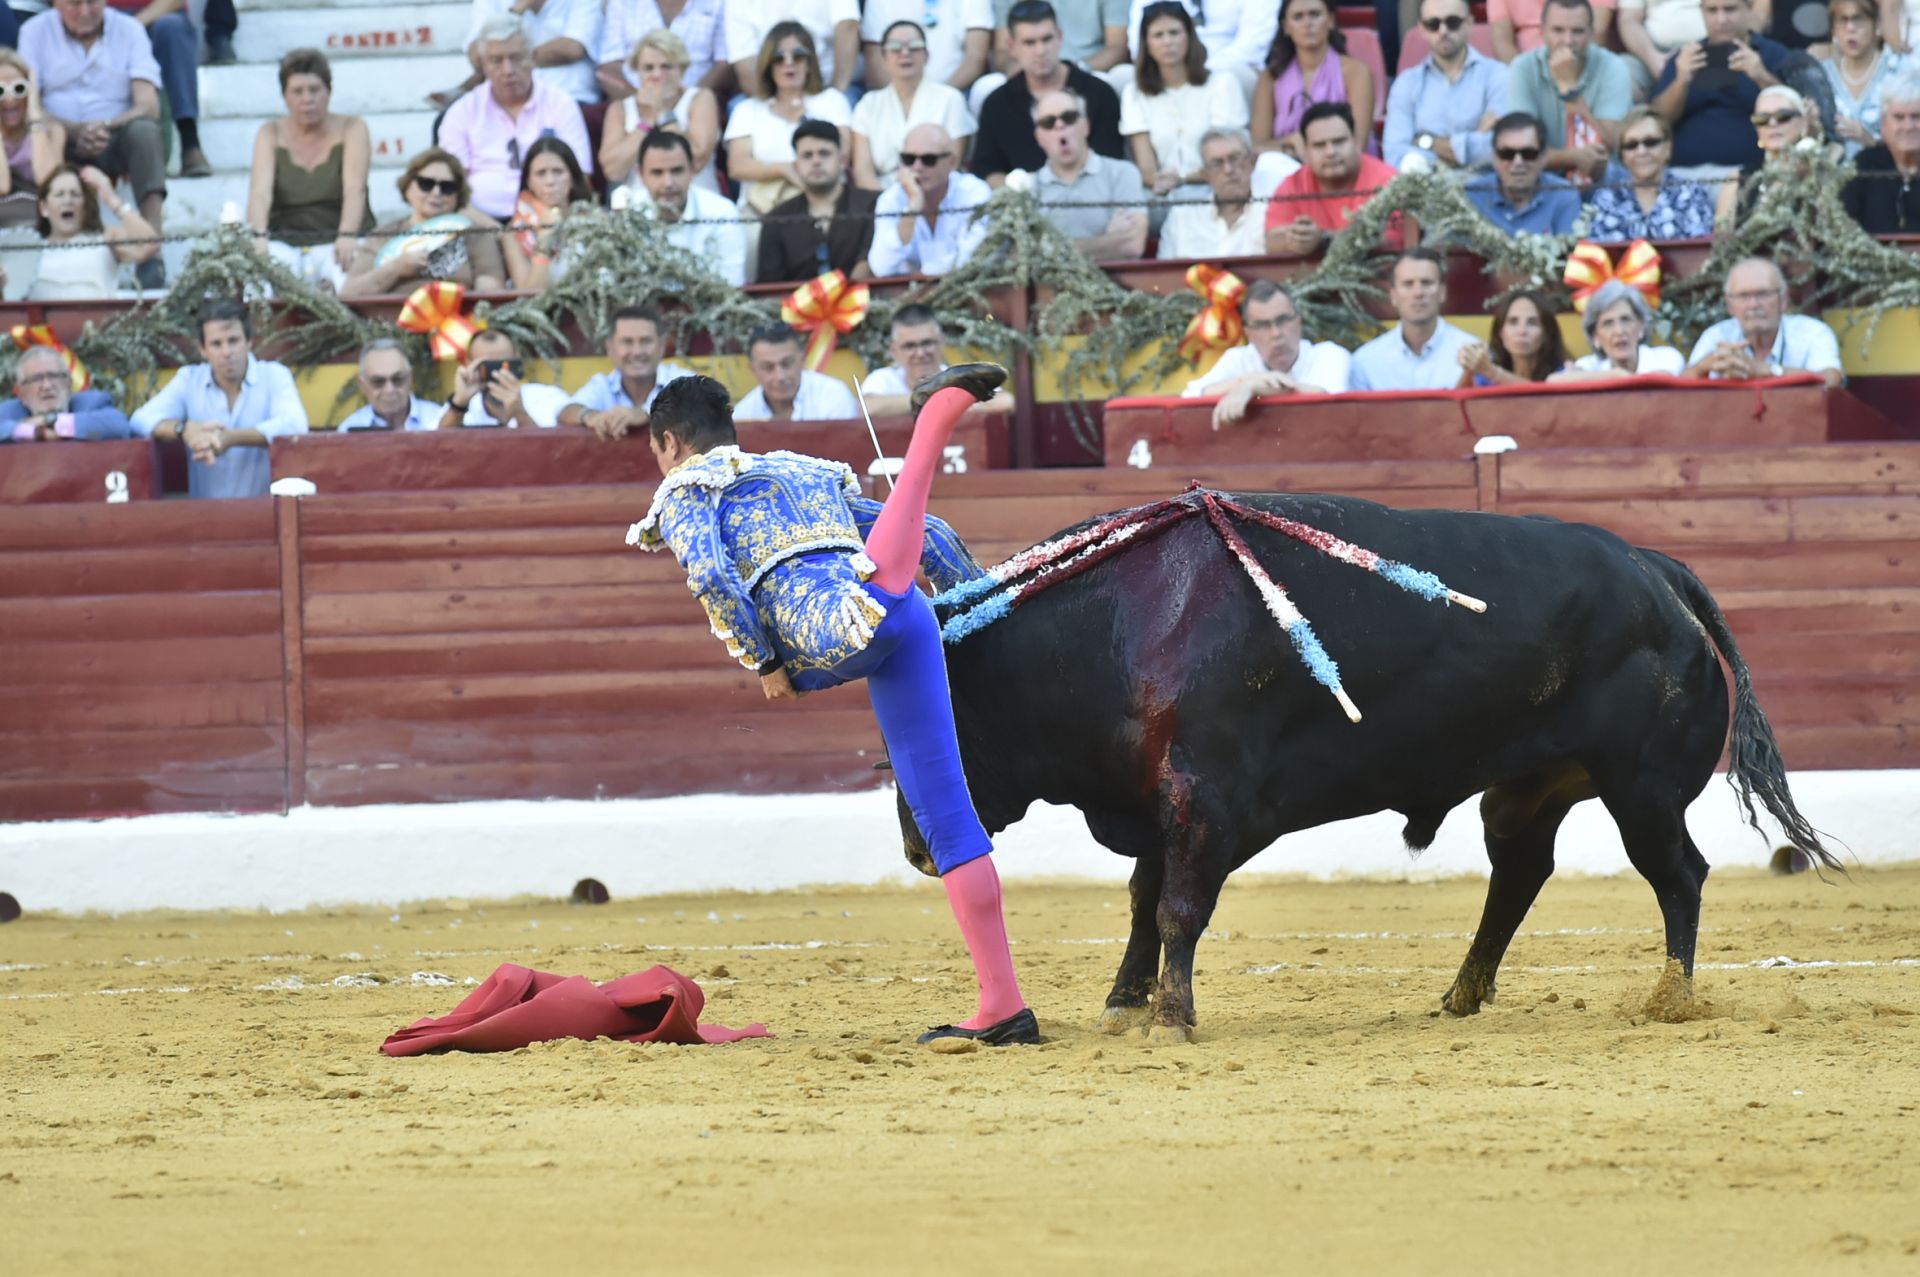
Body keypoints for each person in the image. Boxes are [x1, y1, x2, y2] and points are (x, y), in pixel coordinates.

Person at [630, 364, 1037, 1046]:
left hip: (837, 619)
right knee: (946, 814)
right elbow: (933, 533)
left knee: (879, 589)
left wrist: (764, 660)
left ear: (670, 443)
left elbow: (710, 573)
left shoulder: (686, 488)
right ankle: (1003, 1003)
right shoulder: (803, 472)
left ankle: (934, 420)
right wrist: (980, 612)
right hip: (909, 625)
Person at [20, 0, 169, 289]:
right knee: (40, 130)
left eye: (92, 2)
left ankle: (152, 253)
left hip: (116, 132)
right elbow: (29, 104)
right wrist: (75, 131)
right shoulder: (34, 32)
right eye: (75, 4)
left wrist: (107, 125)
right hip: (60, 135)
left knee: (146, 131)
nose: (85, 11)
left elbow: (148, 105)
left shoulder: (129, 29)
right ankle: (45, 245)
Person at [129, 300, 310, 499]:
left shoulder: (274, 375)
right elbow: (139, 419)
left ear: (249, 342)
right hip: (205, 520)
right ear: (203, 350)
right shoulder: (189, 380)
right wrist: (184, 430)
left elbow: (295, 425)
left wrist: (231, 438)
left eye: (233, 341)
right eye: (216, 344)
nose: (226, 352)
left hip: (265, 518)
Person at [439, 17, 594, 221]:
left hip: (549, 220)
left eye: (516, 58)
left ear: (534, 58)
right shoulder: (462, 111)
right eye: (496, 61)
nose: (508, 70)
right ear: (483, 66)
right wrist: (491, 229)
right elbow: (451, 187)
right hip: (482, 223)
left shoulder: (561, 104)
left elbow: (580, 175)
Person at [245, 49, 373, 292]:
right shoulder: (269, 133)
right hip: (285, 242)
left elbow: (355, 189)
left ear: (328, 92)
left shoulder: (352, 127)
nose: (307, 99)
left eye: (315, 90)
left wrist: (346, 235)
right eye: (297, 91)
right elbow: (260, 193)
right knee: (257, 286)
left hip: (338, 239)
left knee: (352, 282)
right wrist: (259, 237)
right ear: (285, 96)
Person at [970, 0, 1125, 185]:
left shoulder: (1098, 93)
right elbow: (987, 168)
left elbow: (1111, 160)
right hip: (1024, 206)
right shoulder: (997, 104)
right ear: (1011, 46)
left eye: (1047, 39)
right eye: (1029, 43)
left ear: (1060, 37)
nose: (1040, 51)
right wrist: (1017, 197)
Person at [724, 22, 853, 226]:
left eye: (798, 55)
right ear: (767, 64)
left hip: (824, 210)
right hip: (761, 213)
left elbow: (842, 155)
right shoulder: (747, 109)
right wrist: (784, 169)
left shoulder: (831, 100)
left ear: (811, 62)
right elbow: (737, 166)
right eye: (778, 58)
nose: (789, 63)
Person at [1120, 1, 1249, 205]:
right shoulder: (1134, 93)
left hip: (1216, 187)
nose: (1167, 42)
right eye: (1158, 35)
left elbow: (1230, 157)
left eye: (1174, 32)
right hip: (1163, 192)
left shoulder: (1222, 84)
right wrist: (1160, 181)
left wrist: (1183, 179)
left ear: (1189, 36)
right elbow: (1146, 165)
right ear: (1147, 44)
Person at [1181, 279, 1352, 425]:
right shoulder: (1238, 359)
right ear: (1249, 334)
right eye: (1263, 325)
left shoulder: (1329, 354)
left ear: (1298, 322)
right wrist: (1244, 382)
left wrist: (1254, 388)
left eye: (1283, 320)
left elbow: (1329, 399)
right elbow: (1189, 398)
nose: (1276, 333)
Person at [341, 149, 507, 297]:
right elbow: (350, 292)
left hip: (457, 323)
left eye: (447, 187)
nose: (436, 192)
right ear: (408, 188)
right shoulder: (384, 235)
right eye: (426, 184)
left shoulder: (476, 235)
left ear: (458, 195)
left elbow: (490, 287)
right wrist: (396, 268)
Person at [1653, 0, 1794, 171]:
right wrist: (1681, 81)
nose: (1721, 19)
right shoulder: (1684, 58)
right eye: (1712, 10)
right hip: (1684, 177)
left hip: (1754, 175)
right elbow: (1657, 124)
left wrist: (1761, 76)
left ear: (1749, 9)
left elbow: (1798, 116)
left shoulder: (1775, 54)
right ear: (1702, 12)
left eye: (1730, 9)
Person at [1507, 0, 1633, 186]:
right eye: (1558, 30)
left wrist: (1569, 89)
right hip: (1540, 179)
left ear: (1591, 33)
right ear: (1541, 31)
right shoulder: (1523, 67)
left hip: (1599, 181)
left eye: (1578, 31)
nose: (1568, 41)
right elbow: (1521, 150)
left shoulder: (1613, 67)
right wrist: (1572, 157)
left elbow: (1610, 146)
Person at [1264, 102, 1404, 256]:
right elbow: (1271, 241)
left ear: (1356, 142)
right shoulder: (1293, 185)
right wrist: (1295, 239)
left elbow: (1393, 239)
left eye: (1339, 142)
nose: (1330, 152)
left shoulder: (1387, 180)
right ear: (1305, 151)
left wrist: (1324, 239)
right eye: (1319, 145)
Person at [1384, 0, 1509, 171]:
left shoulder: (1498, 75)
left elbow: (1502, 148)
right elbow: (1395, 154)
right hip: (1427, 190)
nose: (1443, 31)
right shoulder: (1406, 83)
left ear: (1469, 23)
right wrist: (1475, 139)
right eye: (1433, 24)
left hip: (1485, 190)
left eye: (1453, 22)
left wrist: (1424, 141)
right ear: (1421, 30)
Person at [851, 19, 977, 189]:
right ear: (883, 57)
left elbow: (952, 165)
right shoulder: (868, 105)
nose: (905, 53)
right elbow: (863, 174)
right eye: (895, 48)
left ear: (927, 55)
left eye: (915, 46)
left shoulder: (950, 98)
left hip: (938, 195)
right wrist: (892, 203)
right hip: (882, 198)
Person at [1027, 88, 1150, 260]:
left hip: (1114, 284)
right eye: (1048, 122)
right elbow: (1022, 256)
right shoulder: (1028, 188)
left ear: (1085, 126)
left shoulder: (1121, 173)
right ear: (1038, 137)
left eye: (1069, 117)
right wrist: (1108, 241)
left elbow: (1132, 245)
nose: (1060, 126)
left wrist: (1049, 249)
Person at [599, 29, 722, 199]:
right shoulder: (620, 109)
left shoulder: (700, 98)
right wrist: (647, 121)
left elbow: (697, 157)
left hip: (698, 200)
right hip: (638, 207)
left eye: (666, 67)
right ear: (638, 72)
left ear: (682, 69)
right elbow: (613, 171)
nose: (657, 75)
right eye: (648, 68)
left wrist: (663, 113)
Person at [1683, 255, 1843, 386]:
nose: (1753, 304)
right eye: (1743, 296)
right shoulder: (1716, 335)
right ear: (1729, 304)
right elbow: (1679, 388)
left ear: (1784, 299)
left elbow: (1831, 380)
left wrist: (1766, 370)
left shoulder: (1813, 332)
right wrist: (1702, 368)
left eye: (1763, 294)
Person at [1251, 0, 1375, 162]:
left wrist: (1311, 147)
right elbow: (1257, 148)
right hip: (1287, 170)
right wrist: (1291, 143)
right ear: (1286, 27)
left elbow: (1359, 144)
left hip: (1343, 165)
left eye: (1315, 15)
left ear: (1330, 20)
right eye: (1298, 17)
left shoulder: (1356, 72)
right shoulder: (1270, 78)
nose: (1307, 23)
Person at [758, 119, 878, 283]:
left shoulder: (873, 205)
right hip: (793, 307)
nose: (816, 161)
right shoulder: (776, 220)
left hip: (865, 304)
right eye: (807, 156)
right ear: (796, 165)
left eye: (824, 153)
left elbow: (876, 264)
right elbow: (769, 289)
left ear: (842, 161)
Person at [100, 0, 211, 178]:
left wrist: (132, 27)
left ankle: (190, 140)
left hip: (153, 15)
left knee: (172, 29)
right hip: (97, 16)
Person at [867, 122, 994, 275]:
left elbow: (974, 256)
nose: (917, 167)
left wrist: (925, 274)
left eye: (928, 159)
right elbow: (881, 267)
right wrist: (912, 208)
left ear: (952, 162)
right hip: (907, 296)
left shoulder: (974, 192)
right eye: (909, 159)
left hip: (968, 290)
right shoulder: (891, 199)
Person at [626, 129, 748, 286]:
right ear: (641, 175)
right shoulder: (627, 215)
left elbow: (732, 282)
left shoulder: (722, 212)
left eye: (677, 171)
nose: (668, 183)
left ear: (692, 170)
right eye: (657, 173)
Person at [1349, 247, 1478, 390]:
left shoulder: (1473, 354)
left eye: (1427, 283)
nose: (1418, 293)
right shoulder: (1366, 362)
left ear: (1442, 292)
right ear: (1393, 296)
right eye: (1408, 284)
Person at [559, 305, 694, 439]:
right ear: (610, 348)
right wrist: (592, 417)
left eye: (645, 341)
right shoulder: (603, 384)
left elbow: (700, 409)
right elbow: (566, 411)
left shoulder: (683, 380)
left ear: (661, 346)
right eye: (627, 342)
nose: (637, 352)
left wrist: (645, 414)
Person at [1585, 104, 1720, 238]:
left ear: (1668, 147)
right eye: (1631, 145)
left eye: (1650, 142)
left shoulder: (1692, 194)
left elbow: (1703, 252)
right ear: (1622, 156)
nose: (1641, 151)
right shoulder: (1606, 200)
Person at [858, 303, 1017, 415]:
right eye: (910, 346)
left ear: (941, 342)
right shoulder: (883, 379)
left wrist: (940, 402)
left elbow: (1007, 401)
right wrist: (934, 400)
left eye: (927, 343)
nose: (920, 353)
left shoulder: (961, 377)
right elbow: (867, 408)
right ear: (894, 350)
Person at [26, 162, 156, 298]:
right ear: (44, 208)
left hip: (98, 318)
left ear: (85, 205)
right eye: (59, 194)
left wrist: (111, 198)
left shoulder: (105, 238)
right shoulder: (28, 248)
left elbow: (149, 245)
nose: (68, 200)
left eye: (75, 194)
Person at [1712, 82, 1825, 226]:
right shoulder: (1738, 178)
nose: (1772, 124)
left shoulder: (1821, 170)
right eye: (1762, 119)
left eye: (1783, 116)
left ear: (1803, 122)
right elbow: (1722, 239)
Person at [1156, 125, 1272, 257]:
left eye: (1235, 158)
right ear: (1205, 174)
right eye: (1217, 163)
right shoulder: (1182, 217)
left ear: (1253, 160)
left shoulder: (1272, 210)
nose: (1228, 170)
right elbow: (1164, 274)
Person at [1123, 0, 1279, 92]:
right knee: (1123, 75)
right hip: (1168, 68)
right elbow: (1139, 41)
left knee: (1235, 75)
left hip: (1226, 66)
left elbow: (1256, 40)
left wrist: (1201, 70)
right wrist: (1176, 70)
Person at [1465, 112, 1584, 232]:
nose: (1518, 162)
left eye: (1528, 154)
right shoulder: (1470, 197)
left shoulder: (1564, 196)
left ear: (1543, 157)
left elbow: (1571, 248)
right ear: (1494, 157)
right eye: (1507, 154)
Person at [502, 135, 592, 289]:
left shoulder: (595, 222)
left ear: (572, 177)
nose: (550, 181)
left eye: (558, 171)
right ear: (529, 182)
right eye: (541, 173)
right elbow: (529, 295)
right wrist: (545, 240)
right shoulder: (514, 234)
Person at [1550, 278, 1687, 379]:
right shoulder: (1590, 364)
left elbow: (1660, 380)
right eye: (1608, 323)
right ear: (1595, 337)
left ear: (1641, 328)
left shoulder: (1666, 356)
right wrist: (1615, 374)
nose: (1619, 331)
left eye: (1626, 320)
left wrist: (1615, 376)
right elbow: (1553, 381)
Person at [597, 0, 728, 103]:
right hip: (633, 102)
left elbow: (725, 65)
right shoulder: (623, 2)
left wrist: (689, 101)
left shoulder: (717, 2)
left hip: (698, 103)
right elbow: (608, 68)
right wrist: (641, 103)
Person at [439, 328, 572, 428]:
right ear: (469, 364)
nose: (497, 374)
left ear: (517, 360)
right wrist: (458, 404)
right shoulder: (459, 406)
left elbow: (549, 452)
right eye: (487, 366)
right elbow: (435, 449)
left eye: (504, 365)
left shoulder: (546, 398)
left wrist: (519, 413)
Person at [1842, 63, 1920, 231]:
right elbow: (1844, 225)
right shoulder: (1865, 164)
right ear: (1884, 125)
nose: (1908, 126)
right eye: (1899, 118)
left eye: (1916, 117)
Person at [861, 0, 994, 99]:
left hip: (955, 93)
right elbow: (874, 60)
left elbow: (976, 58)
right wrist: (901, 103)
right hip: (895, 98)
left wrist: (937, 100)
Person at [727, 0, 860, 96]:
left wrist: (835, 95)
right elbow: (745, 64)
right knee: (740, 111)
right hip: (772, 93)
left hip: (831, 84)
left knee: (843, 107)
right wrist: (779, 106)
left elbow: (848, 26)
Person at [1821, 0, 1902, 158]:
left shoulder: (1898, 70)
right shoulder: (1822, 74)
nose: (1850, 29)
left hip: (1886, 175)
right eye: (1843, 20)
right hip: (1834, 177)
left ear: (1877, 25)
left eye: (1859, 19)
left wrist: (1872, 141)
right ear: (1833, 30)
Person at [1, 343, 130, 440]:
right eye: (36, 379)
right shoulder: (8, 412)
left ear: (69, 384)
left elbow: (119, 428)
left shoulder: (93, 403)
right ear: (20, 392)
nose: (47, 386)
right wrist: (35, 432)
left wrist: (53, 422)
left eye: (54, 376)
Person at [734, 324, 861, 420]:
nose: (780, 376)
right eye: (768, 367)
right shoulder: (743, 414)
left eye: (787, 363)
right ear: (753, 369)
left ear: (803, 359)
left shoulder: (833, 395)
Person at [0, 51, 65, 228]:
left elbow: (50, 182)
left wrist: (35, 114)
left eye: (19, 88)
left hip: (40, 223)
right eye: (1, 90)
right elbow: (2, 186)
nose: (10, 98)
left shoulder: (52, 130)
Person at [1455, 289, 1568, 386]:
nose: (1522, 331)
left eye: (1532, 323)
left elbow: (1542, 397)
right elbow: (1454, 408)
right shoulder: (1486, 377)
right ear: (1500, 333)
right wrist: (1469, 370)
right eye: (1513, 322)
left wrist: (1492, 372)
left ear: (1547, 333)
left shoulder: (1565, 374)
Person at [338, 338, 441, 432]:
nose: (389, 389)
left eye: (398, 379)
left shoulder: (439, 419)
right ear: (362, 384)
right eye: (378, 382)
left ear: (411, 378)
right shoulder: (348, 430)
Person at [1618, 0, 1710, 97]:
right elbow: (1629, 20)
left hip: (1709, 49)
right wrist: (1654, 60)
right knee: (1619, 78)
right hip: (1652, 51)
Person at [1492, 0, 1616, 61]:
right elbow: (1502, 41)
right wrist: (1524, 73)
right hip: (1527, 64)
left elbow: (1597, 31)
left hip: (1584, 60)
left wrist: (1572, 70)